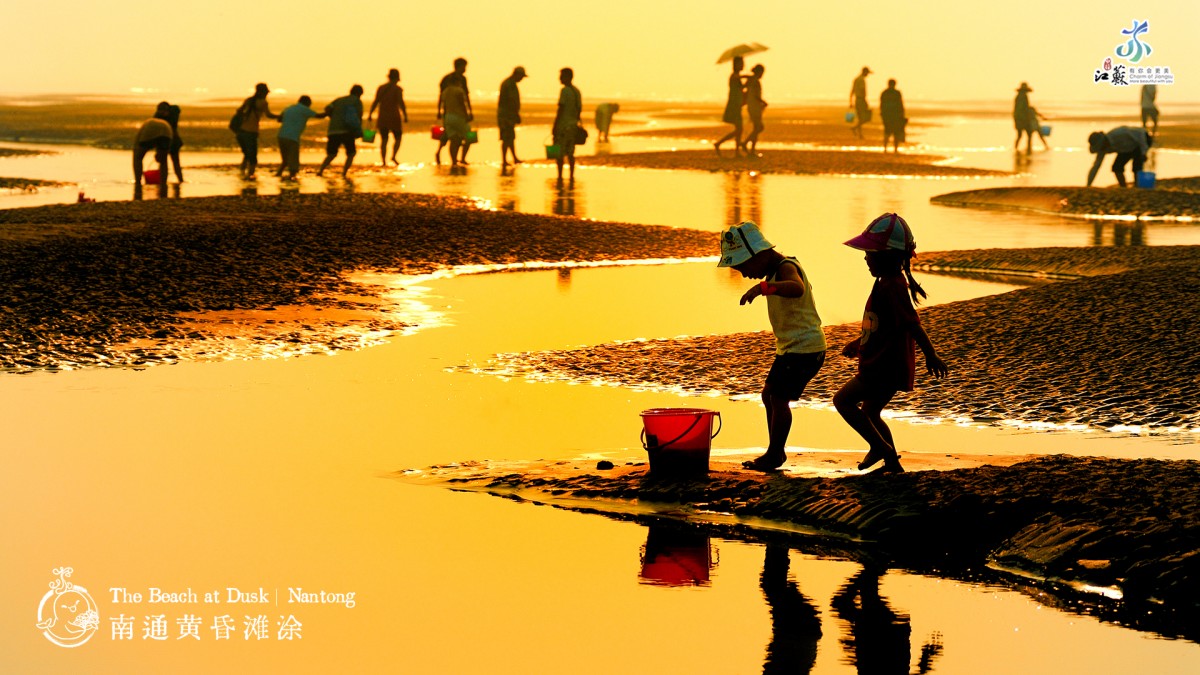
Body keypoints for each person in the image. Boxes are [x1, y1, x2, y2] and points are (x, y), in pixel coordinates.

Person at [834, 213, 948, 474]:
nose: (865, 257)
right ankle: (892, 464)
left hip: (883, 366)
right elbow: (882, 325)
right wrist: (858, 342)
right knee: (871, 412)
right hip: (882, 361)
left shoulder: (893, 287)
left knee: (842, 401)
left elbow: (912, 324)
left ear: (886, 257)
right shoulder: (885, 282)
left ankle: (882, 448)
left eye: (870, 252)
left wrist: (931, 355)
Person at [718, 221, 826, 472]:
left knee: (778, 398)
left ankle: (775, 453)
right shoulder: (775, 270)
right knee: (768, 396)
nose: (745, 274)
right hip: (792, 348)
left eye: (744, 267)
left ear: (759, 254)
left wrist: (763, 288)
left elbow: (797, 288)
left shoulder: (786, 267)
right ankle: (774, 450)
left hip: (805, 348)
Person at [233, 83, 280, 178]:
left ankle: (241, 174)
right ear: (263, 92)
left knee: (247, 155)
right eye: (266, 92)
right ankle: (250, 176)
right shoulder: (263, 102)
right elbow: (268, 115)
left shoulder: (249, 100)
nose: (267, 94)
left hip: (241, 131)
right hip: (251, 132)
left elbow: (239, 111)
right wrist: (280, 116)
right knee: (253, 158)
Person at [317, 85, 365, 177]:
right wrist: (359, 130)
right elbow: (359, 116)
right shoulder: (357, 101)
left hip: (333, 130)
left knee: (331, 154)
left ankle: (321, 171)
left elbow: (327, 108)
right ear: (360, 93)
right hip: (347, 131)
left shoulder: (339, 100)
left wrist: (333, 116)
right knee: (351, 153)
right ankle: (344, 173)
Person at [275, 95, 326, 179]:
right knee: (294, 161)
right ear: (307, 103)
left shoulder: (289, 108)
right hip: (292, 137)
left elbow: (279, 119)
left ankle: (278, 174)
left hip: (281, 135)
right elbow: (320, 116)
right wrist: (331, 111)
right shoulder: (304, 109)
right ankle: (292, 177)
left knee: (285, 160)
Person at [1086, 126, 1152, 187]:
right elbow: (1096, 165)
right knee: (1117, 167)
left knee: (1137, 166)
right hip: (1127, 148)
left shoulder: (1119, 134)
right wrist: (1088, 185)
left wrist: (1144, 152)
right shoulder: (1103, 149)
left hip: (1142, 139)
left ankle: (1138, 187)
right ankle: (1123, 187)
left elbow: (1141, 134)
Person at [368, 68, 408, 166]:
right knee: (398, 138)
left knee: (384, 140)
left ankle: (384, 161)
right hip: (394, 117)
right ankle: (393, 156)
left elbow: (376, 101)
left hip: (383, 117)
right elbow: (400, 102)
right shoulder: (398, 89)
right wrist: (405, 115)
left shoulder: (381, 88)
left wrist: (370, 113)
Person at [436, 58, 473, 165]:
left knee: (451, 136)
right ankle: (458, 159)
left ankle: (452, 159)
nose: (465, 69)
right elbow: (464, 99)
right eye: (464, 66)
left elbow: (442, 96)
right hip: (455, 114)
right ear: (459, 66)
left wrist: (439, 110)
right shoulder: (451, 80)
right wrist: (469, 112)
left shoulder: (460, 79)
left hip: (448, 114)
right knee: (466, 136)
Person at [552, 67, 582, 184]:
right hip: (573, 126)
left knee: (558, 152)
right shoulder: (577, 91)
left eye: (561, 76)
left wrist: (555, 125)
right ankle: (571, 176)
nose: (559, 78)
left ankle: (559, 176)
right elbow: (579, 109)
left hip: (563, 126)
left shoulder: (564, 91)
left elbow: (561, 108)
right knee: (570, 153)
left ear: (567, 77)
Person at [133, 102, 173, 186]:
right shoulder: (168, 122)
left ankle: (138, 182)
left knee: (138, 157)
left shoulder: (148, 123)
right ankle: (163, 184)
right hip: (167, 131)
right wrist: (161, 153)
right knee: (163, 160)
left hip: (150, 130)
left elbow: (136, 147)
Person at [714, 56, 745, 157]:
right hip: (734, 105)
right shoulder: (734, 76)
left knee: (739, 129)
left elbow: (741, 88)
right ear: (736, 64)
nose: (743, 65)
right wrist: (749, 78)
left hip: (737, 104)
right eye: (741, 63)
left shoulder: (737, 76)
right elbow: (740, 85)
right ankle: (720, 144)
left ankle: (736, 151)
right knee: (739, 129)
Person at [498, 66, 527, 167]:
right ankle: (505, 160)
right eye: (521, 76)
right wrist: (515, 114)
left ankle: (514, 158)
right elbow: (510, 101)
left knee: (510, 137)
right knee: (506, 138)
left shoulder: (510, 83)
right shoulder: (509, 84)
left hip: (508, 115)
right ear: (516, 74)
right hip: (506, 116)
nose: (522, 79)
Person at [742, 64, 767, 155]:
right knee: (759, 127)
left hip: (751, 106)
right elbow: (756, 96)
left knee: (756, 128)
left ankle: (752, 150)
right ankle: (745, 143)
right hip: (755, 107)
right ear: (759, 72)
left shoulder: (750, 80)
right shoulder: (755, 81)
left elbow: (744, 88)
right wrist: (763, 102)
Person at [879, 79, 906, 153]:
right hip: (895, 115)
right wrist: (902, 114)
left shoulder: (884, 93)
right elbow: (900, 104)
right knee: (895, 132)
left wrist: (882, 114)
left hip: (887, 115)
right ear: (895, 84)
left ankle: (885, 148)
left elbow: (881, 104)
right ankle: (895, 149)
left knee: (887, 132)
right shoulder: (897, 93)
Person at [162, 103, 184, 181]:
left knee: (175, 162)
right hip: (164, 142)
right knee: (163, 162)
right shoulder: (161, 119)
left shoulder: (173, 116)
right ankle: (163, 182)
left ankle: (180, 180)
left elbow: (176, 109)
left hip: (174, 142)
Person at [1013, 82, 1037, 153]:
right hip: (1024, 119)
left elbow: (1018, 109)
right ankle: (1028, 149)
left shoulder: (1018, 97)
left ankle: (1016, 148)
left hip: (1018, 119)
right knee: (1029, 134)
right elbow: (1025, 108)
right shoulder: (1024, 97)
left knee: (1019, 135)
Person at [849, 67, 871, 139]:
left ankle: (860, 134)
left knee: (860, 118)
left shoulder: (856, 79)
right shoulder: (861, 80)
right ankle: (855, 128)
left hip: (857, 100)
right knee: (865, 117)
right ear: (865, 72)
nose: (868, 75)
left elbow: (852, 90)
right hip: (861, 99)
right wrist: (865, 100)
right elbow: (862, 90)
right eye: (867, 73)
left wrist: (851, 101)